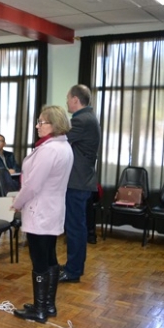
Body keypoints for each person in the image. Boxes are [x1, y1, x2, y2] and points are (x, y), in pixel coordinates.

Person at [11, 106, 73, 323]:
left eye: (41, 122)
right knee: (50, 258)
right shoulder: (64, 146)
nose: (37, 126)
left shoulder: (49, 150)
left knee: (39, 261)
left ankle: (39, 310)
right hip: (52, 210)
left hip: (40, 211)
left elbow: (32, 185)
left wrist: (17, 203)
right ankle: (48, 305)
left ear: (54, 125)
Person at [60, 84, 101, 283]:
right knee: (78, 226)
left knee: (75, 228)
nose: (67, 102)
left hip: (77, 182)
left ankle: (73, 271)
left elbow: (60, 140)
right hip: (82, 181)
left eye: (68, 98)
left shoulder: (81, 120)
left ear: (76, 99)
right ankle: (73, 266)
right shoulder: (88, 118)